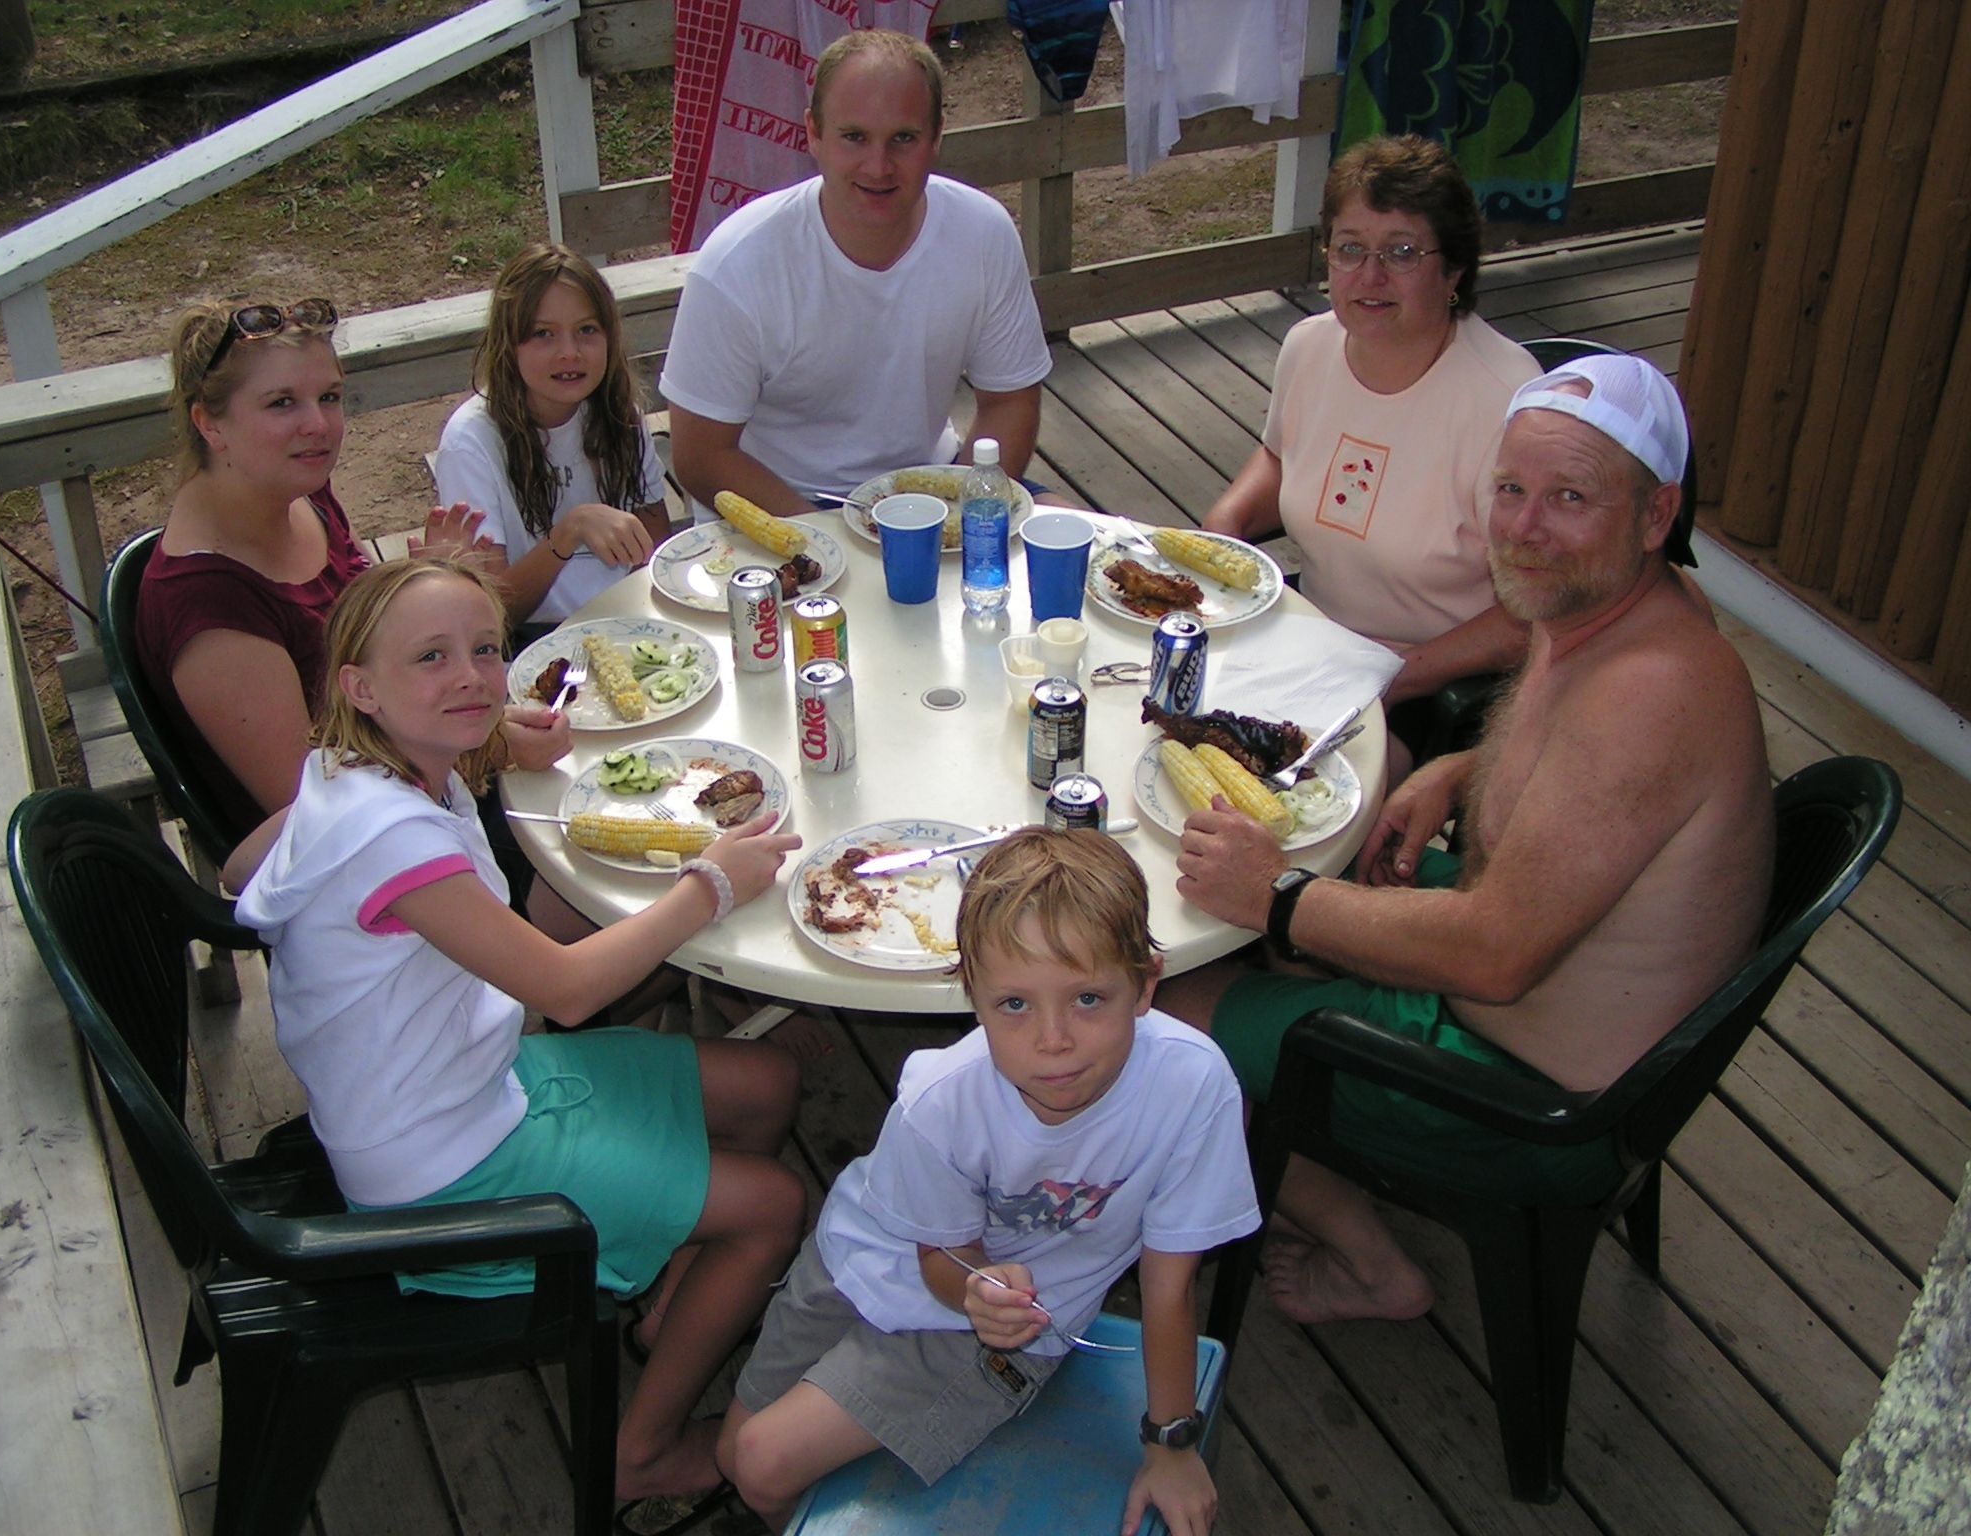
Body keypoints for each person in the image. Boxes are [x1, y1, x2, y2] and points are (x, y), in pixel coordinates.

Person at [1159, 356, 1773, 1324]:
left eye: (1568, 497)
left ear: (1653, 516)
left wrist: (1277, 895)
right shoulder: (1613, 609)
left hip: (1523, 1097)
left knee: (1161, 1010)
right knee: (1267, 913)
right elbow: (1577, 777)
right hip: (1527, 982)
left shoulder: (1651, 692)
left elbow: (1495, 954)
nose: (1523, 529)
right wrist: (1459, 769)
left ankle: (1366, 1261)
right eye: (1509, 490)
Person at [222, 557, 807, 1511]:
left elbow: (244, 868)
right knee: (777, 1205)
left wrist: (489, 744)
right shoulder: (393, 842)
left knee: (767, 1082)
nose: (471, 676)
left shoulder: (346, 768)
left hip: (466, 1086)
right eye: (431, 658)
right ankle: (640, 1455)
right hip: (442, 1168)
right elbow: (569, 989)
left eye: (486, 651)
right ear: (360, 689)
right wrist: (712, 884)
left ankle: (672, 1307)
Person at [718, 829, 1260, 1535]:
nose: (1054, 1039)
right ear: (971, 997)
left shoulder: (1194, 1086)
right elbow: (939, 1256)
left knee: (761, 1462)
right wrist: (973, 1284)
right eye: (1014, 1005)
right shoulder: (937, 1102)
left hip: (1007, 1329)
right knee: (734, 1457)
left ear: (1147, 985)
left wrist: (1170, 1443)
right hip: (863, 1251)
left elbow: (1169, 1286)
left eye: (1089, 997)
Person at [138, 297, 567, 836]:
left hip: (428, 766)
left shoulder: (297, 496)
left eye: (330, 396)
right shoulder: (208, 609)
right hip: (372, 861)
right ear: (209, 424)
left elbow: (367, 652)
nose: (318, 424)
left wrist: (429, 594)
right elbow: (319, 807)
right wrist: (489, 745)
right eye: (281, 403)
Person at [1201, 135, 1541, 772]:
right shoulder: (1309, 346)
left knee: (1280, 803)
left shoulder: (1505, 404)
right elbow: (1280, 456)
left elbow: (1524, 618)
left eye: (1402, 253)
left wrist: (1390, 673)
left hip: (1429, 677)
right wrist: (1227, 525)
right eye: (1351, 249)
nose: (1370, 276)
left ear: (1455, 270)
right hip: (1307, 630)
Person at [661, 30, 1052, 518]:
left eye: (903, 139)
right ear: (814, 134)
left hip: (934, 488)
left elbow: (1010, 399)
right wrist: (831, 541)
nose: (878, 166)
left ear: (936, 138)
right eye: (854, 137)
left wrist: (964, 518)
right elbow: (701, 456)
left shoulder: (984, 231)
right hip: (781, 506)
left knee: (1100, 550)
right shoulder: (737, 261)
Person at [435, 245, 670, 636]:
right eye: (543, 334)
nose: (570, 353)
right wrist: (569, 531)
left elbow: (655, 546)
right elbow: (492, 614)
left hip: (627, 621)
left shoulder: (619, 415)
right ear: (509, 346)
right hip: (535, 639)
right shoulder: (471, 443)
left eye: (587, 330)